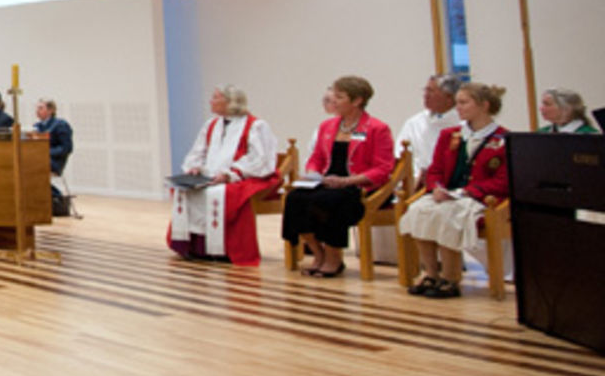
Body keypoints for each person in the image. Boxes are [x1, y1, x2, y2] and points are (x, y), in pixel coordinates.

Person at [400, 81, 511, 298]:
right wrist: (436, 187)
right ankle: (432, 273)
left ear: (484, 105)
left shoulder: (504, 139)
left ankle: (451, 278)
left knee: (447, 214)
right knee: (419, 210)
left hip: (481, 198)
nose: (458, 107)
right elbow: (435, 170)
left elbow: (504, 181)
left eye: (463, 103)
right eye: (458, 103)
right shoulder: (449, 135)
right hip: (447, 195)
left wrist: (468, 191)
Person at [281, 75, 396, 278]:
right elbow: (316, 157)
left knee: (330, 201)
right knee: (295, 198)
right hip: (328, 182)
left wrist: (347, 181)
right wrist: (314, 173)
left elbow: (383, 168)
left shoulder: (377, 129)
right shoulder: (328, 126)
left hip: (359, 187)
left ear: (357, 100)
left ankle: (334, 258)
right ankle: (319, 253)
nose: (333, 101)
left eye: (339, 97)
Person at [168, 84, 279, 266]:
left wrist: (231, 174)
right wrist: (195, 167)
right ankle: (196, 248)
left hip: (242, 176)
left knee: (226, 194)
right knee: (185, 190)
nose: (211, 101)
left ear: (230, 102)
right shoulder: (212, 124)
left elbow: (260, 158)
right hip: (212, 175)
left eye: (215, 97)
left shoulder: (255, 125)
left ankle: (225, 250)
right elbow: (198, 151)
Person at [32, 99, 73, 174]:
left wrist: (45, 152)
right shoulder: (36, 126)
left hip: (53, 161)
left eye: (40, 108)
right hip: (38, 158)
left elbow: (66, 148)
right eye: (37, 108)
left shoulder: (60, 125)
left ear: (50, 110)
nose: (37, 111)